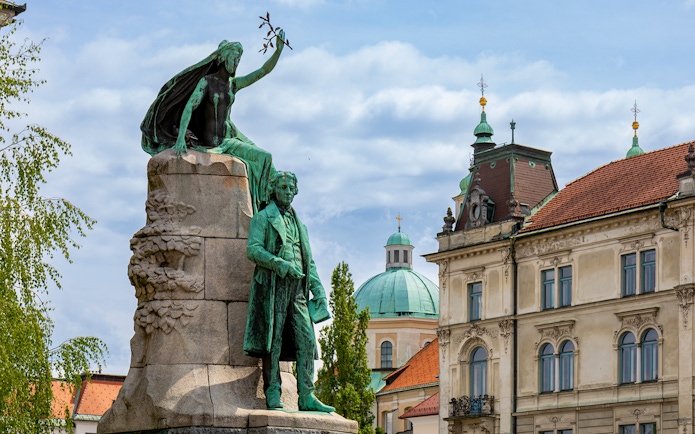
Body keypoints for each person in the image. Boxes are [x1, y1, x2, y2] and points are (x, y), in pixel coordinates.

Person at [140, 31, 286, 213]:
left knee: (265, 157)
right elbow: (189, 107)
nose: (236, 63)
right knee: (262, 158)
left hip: (227, 141)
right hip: (209, 143)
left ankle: (264, 210)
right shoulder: (206, 82)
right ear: (223, 58)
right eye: (234, 58)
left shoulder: (233, 84)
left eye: (239, 60)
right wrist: (179, 139)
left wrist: (278, 51)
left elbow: (262, 72)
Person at [243, 171, 335, 412]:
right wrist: (279, 264)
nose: (286, 192)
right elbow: (253, 250)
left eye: (290, 188)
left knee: (306, 341)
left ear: (295, 191)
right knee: (272, 341)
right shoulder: (263, 217)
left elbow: (309, 262)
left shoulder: (300, 225)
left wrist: (320, 291)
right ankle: (273, 392)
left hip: (298, 290)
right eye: (282, 187)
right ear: (274, 190)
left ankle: (307, 396)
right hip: (274, 286)